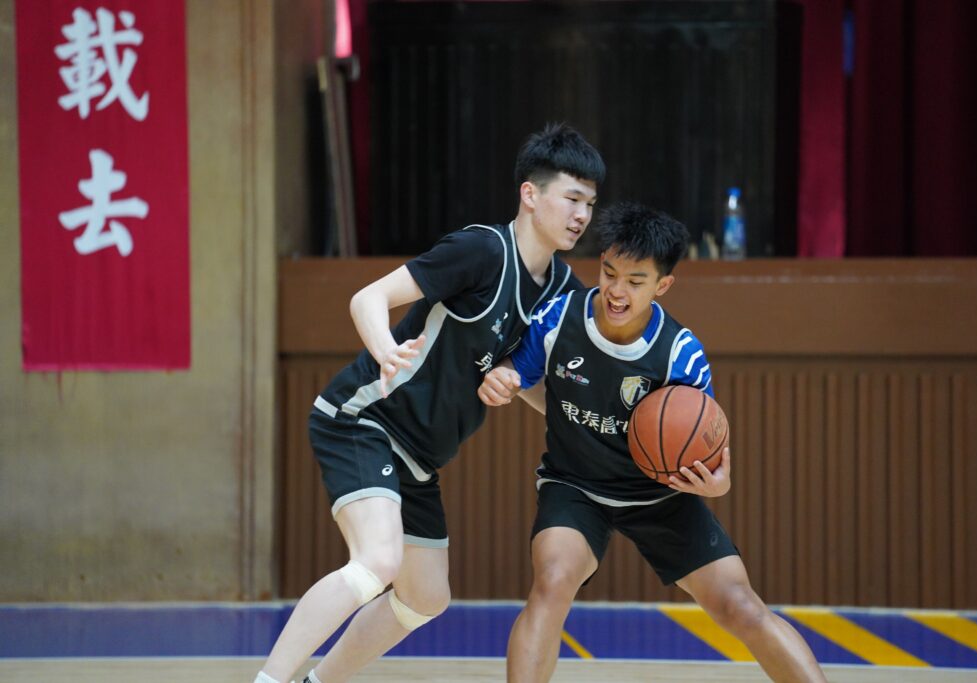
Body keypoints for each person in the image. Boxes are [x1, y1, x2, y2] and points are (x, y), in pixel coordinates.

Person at [253, 123, 605, 683]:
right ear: (530, 194)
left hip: (418, 457)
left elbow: (543, 389)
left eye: (590, 203)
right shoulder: (481, 250)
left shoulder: (564, 293)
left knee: (426, 597)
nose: (582, 214)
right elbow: (368, 298)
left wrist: (522, 387)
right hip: (365, 420)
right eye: (572, 198)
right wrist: (385, 348)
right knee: (377, 560)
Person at [478, 202, 828, 683]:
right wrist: (502, 378)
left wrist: (717, 485)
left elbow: (706, 448)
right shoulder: (560, 318)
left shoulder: (680, 354)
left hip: (659, 495)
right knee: (552, 583)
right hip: (575, 486)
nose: (616, 290)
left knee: (741, 606)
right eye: (609, 273)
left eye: (635, 281)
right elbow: (516, 371)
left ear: (662, 285)